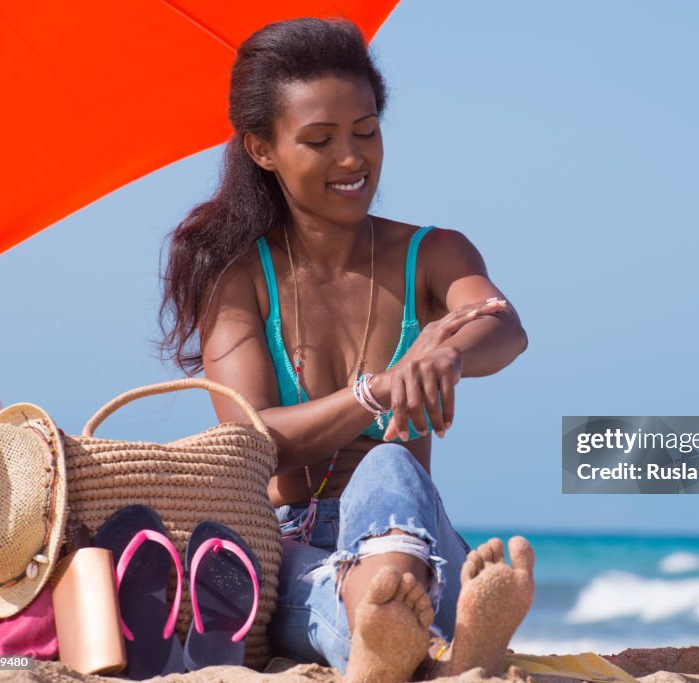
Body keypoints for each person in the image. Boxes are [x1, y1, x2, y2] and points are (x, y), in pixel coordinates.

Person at [159, 17, 534, 682]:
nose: (352, 158)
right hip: (291, 543)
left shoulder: (432, 253)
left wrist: (446, 356)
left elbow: (502, 325)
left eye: (366, 130)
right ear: (263, 148)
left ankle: (388, 627)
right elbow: (254, 436)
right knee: (296, 580)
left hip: (408, 534)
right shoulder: (237, 274)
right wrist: (378, 388)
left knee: (389, 465)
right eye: (320, 139)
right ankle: (413, 641)